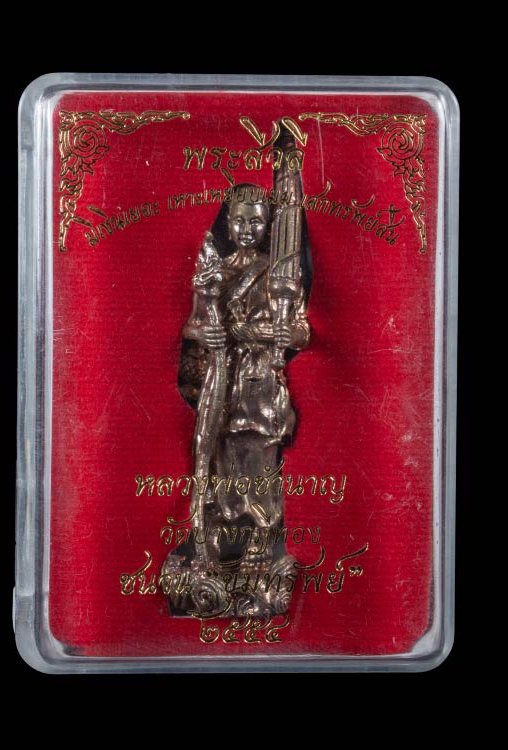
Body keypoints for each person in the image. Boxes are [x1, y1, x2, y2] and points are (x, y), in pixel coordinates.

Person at [165, 185, 311, 617]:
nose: (247, 229)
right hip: (220, 384)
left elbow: (300, 330)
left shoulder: (278, 276)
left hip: (259, 384)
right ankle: (214, 551)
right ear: (227, 225)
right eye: (239, 221)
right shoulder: (216, 272)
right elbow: (194, 324)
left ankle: (262, 550)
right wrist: (203, 331)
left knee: (258, 466)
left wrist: (280, 334)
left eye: (256, 221)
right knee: (219, 466)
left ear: (267, 226)